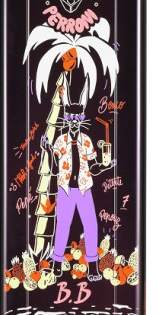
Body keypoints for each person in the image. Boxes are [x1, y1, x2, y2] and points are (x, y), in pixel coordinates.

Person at [40, 103, 115, 282]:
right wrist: (48, 151)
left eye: (77, 118)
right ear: (66, 119)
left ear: (82, 119)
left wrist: (105, 167)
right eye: (70, 118)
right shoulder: (60, 141)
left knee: (91, 226)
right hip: (65, 189)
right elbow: (54, 168)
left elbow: (93, 167)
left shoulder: (86, 140)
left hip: (84, 189)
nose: (74, 122)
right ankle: (57, 265)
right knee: (62, 226)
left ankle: (93, 268)